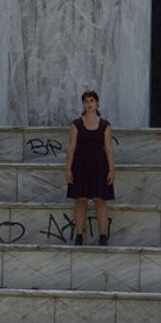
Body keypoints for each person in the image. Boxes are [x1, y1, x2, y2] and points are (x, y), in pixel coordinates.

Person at [64, 90, 115, 246]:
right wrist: (68, 169)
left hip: (100, 166)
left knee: (100, 201)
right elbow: (71, 148)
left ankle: (103, 236)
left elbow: (108, 148)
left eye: (92, 100)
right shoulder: (76, 125)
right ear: (83, 104)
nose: (89, 104)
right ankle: (79, 236)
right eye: (86, 101)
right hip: (80, 166)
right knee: (80, 200)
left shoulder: (105, 125)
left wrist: (112, 169)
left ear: (97, 103)